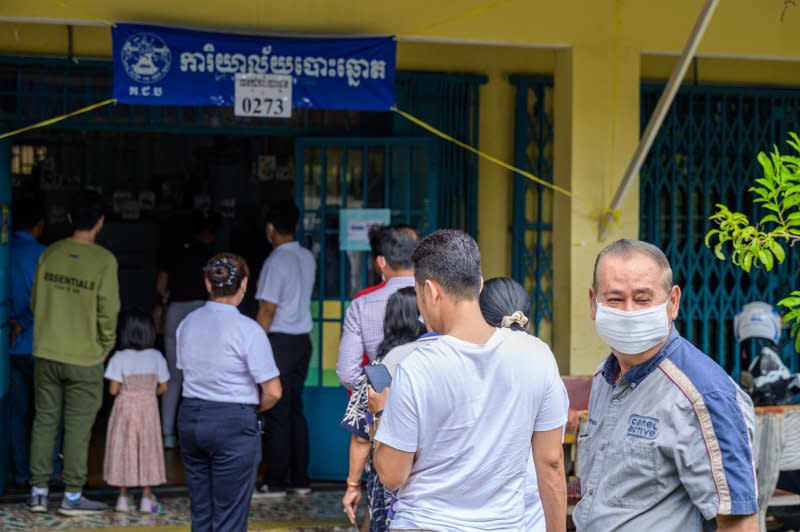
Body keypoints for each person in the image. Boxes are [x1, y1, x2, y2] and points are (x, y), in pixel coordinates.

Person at [371, 229, 567, 531]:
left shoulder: (417, 367)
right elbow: (551, 464)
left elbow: (392, 474)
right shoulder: (537, 355)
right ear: (479, 283)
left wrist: (381, 412)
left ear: (431, 291)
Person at [573, 239, 758, 531]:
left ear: (673, 302)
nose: (629, 312)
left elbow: (739, 523)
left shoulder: (704, 395)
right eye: (615, 299)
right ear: (593, 303)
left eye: (643, 299)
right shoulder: (604, 377)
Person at [28, 189, 120, 516]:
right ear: (100, 222)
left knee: (45, 421)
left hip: (47, 353)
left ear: (69, 219)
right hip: (85, 357)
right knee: (78, 428)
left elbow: (35, 304)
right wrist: (105, 347)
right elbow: (108, 313)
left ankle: (38, 493)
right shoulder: (104, 261)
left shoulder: (50, 253)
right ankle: (72, 496)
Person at [177, 253, 282, 532]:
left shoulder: (186, 324)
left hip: (190, 417)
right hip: (233, 423)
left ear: (208, 284)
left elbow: (185, 370)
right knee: (230, 518)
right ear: (245, 284)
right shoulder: (248, 330)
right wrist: (251, 411)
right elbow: (273, 391)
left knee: (201, 512)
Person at [479, 277, 569, 532]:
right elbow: (552, 460)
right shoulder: (541, 356)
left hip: (477, 510)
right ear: (526, 315)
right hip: (532, 505)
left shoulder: (468, 360)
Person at [341, 287, 429, 531]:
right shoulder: (440, 360)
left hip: (388, 478)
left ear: (391, 320)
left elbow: (361, 438)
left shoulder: (378, 369)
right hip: (431, 481)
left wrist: (352, 485)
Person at [253, 200, 317, 498]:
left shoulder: (276, 261)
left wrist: (254, 342)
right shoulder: (307, 257)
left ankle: (275, 480)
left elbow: (267, 308)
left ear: (269, 229)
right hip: (302, 341)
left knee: (277, 410)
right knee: (294, 409)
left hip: (279, 341)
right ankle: (300, 478)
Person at [156, 208, 221, 449]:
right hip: (204, 313)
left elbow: (161, 286)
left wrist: (166, 300)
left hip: (175, 311)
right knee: (204, 375)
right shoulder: (212, 256)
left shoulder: (173, 251)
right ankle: (199, 435)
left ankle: (167, 435)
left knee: (174, 377)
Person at [336, 225, 419, 390]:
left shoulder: (362, 305)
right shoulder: (437, 297)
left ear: (381, 262)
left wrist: (382, 392)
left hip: (383, 407)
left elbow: (348, 374)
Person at [103, 312, 170, 514]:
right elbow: (164, 387)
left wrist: (129, 393)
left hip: (125, 408)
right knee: (147, 449)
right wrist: (148, 393)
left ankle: (123, 498)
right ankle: (147, 498)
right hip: (148, 408)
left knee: (125, 448)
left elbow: (113, 390)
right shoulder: (156, 356)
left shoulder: (119, 357)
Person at [8, 197, 49, 488]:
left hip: (7, 345)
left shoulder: (3, 250)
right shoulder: (46, 256)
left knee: (14, 413)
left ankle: (19, 473)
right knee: (47, 414)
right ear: (40, 225)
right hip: (39, 344)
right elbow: (47, 302)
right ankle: (47, 473)